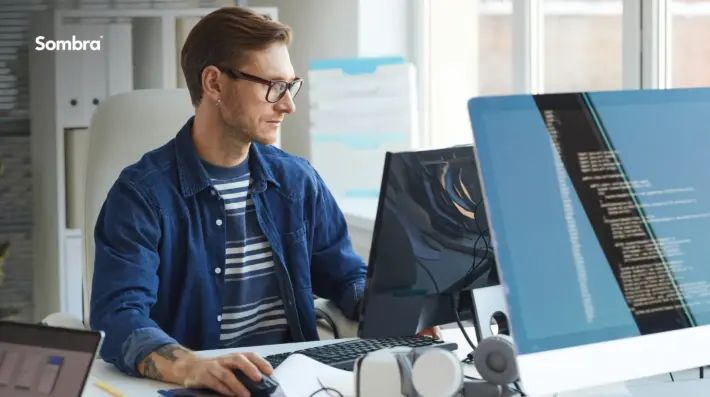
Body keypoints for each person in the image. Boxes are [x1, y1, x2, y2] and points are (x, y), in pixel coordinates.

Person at [89, 6, 439, 397]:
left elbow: (344, 276)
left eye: (291, 86)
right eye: (273, 86)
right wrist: (190, 365)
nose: (287, 105)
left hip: (299, 383)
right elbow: (118, 316)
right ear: (214, 84)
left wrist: (402, 309)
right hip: (200, 387)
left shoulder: (297, 181)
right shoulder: (141, 195)